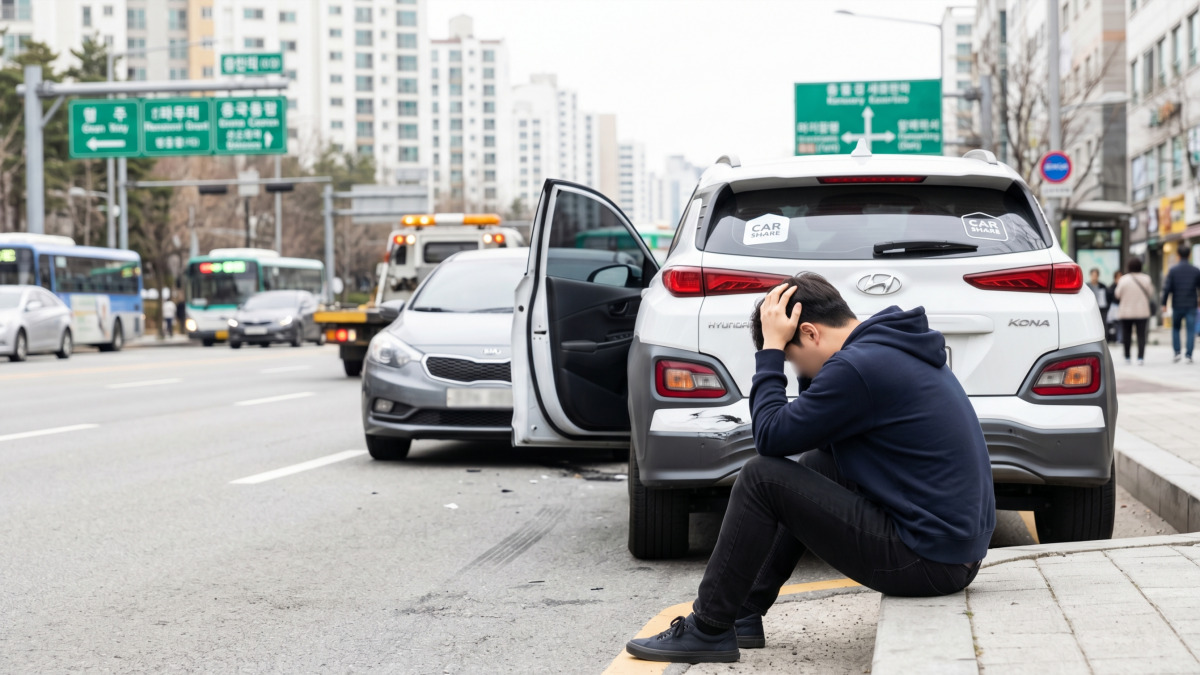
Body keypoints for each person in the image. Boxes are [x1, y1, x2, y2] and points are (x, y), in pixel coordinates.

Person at [624, 273, 995, 664]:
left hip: (928, 563)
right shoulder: (885, 348)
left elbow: (769, 437)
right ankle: (745, 612)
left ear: (810, 333)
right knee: (818, 465)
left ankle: (709, 628)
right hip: (953, 554)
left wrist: (769, 350)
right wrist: (798, 362)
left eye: (790, 355)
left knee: (760, 478)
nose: (791, 364)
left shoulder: (857, 368)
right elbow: (814, 436)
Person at [1160, 244, 1200, 363]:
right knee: (1190, 330)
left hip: (1177, 304)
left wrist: (1164, 304)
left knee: (1176, 328)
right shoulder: (1195, 270)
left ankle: (1177, 352)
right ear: (1189, 255)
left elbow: (1167, 288)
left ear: (1178, 255)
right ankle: (1188, 354)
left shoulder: (1173, 271)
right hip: (1191, 304)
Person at [1114, 258, 1154, 365]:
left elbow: (1117, 294)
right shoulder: (1146, 279)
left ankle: (1127, 356)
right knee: (1141, 335)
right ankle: (1140, 357)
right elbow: (1150, 293)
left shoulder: (1123, 279)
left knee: (1126, 334)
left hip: (1126, 312)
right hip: (1142, 312)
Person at [1106, 271, 1123, 344]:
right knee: (1114, 324)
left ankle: (1120, 339)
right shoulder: (1112, 287)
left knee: (1121, 325)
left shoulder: (1123, 286)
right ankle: (1114, 338)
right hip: (1114, 308)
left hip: (1123, 307)